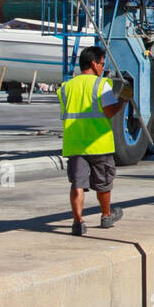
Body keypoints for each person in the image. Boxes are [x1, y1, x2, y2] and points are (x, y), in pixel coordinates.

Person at [59, 46, 130, 236]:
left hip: (75, 144)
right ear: (93, 63)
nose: (103, 67)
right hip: (99, 144)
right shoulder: (101, 85)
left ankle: (78, 222)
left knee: (77, 184)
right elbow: (108, 111)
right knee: (103, 183)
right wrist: (122, 101)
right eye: (102, 63)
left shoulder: (66, 87)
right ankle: (106, 216)